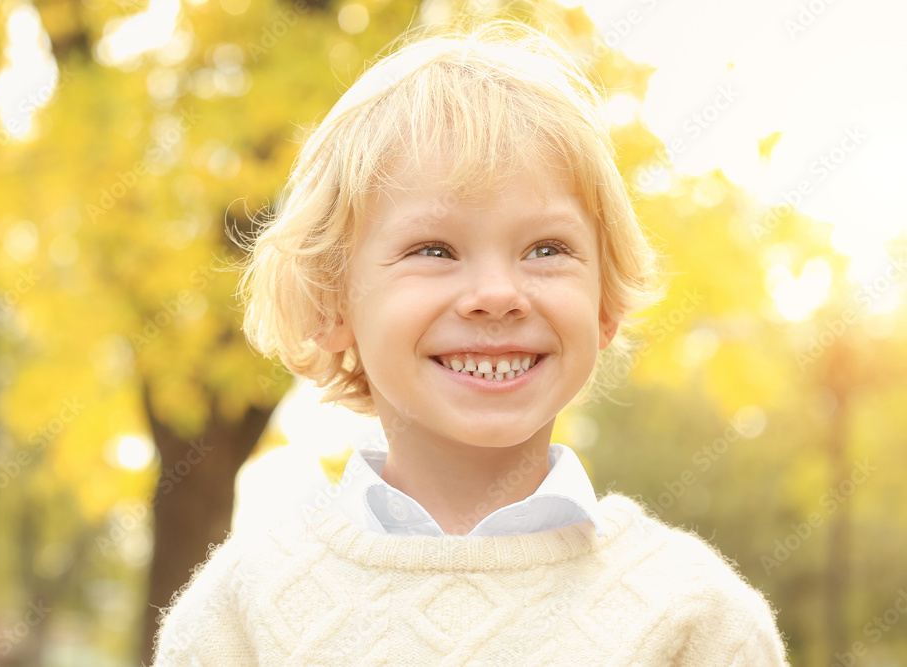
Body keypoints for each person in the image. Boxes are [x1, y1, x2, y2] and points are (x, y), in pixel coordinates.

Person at [152, 16, 788, 666]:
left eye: (547, 248)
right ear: (332, 303)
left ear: (605, 304)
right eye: (435, 248)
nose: (497, 292)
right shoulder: (240, 615)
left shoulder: (696, 618)